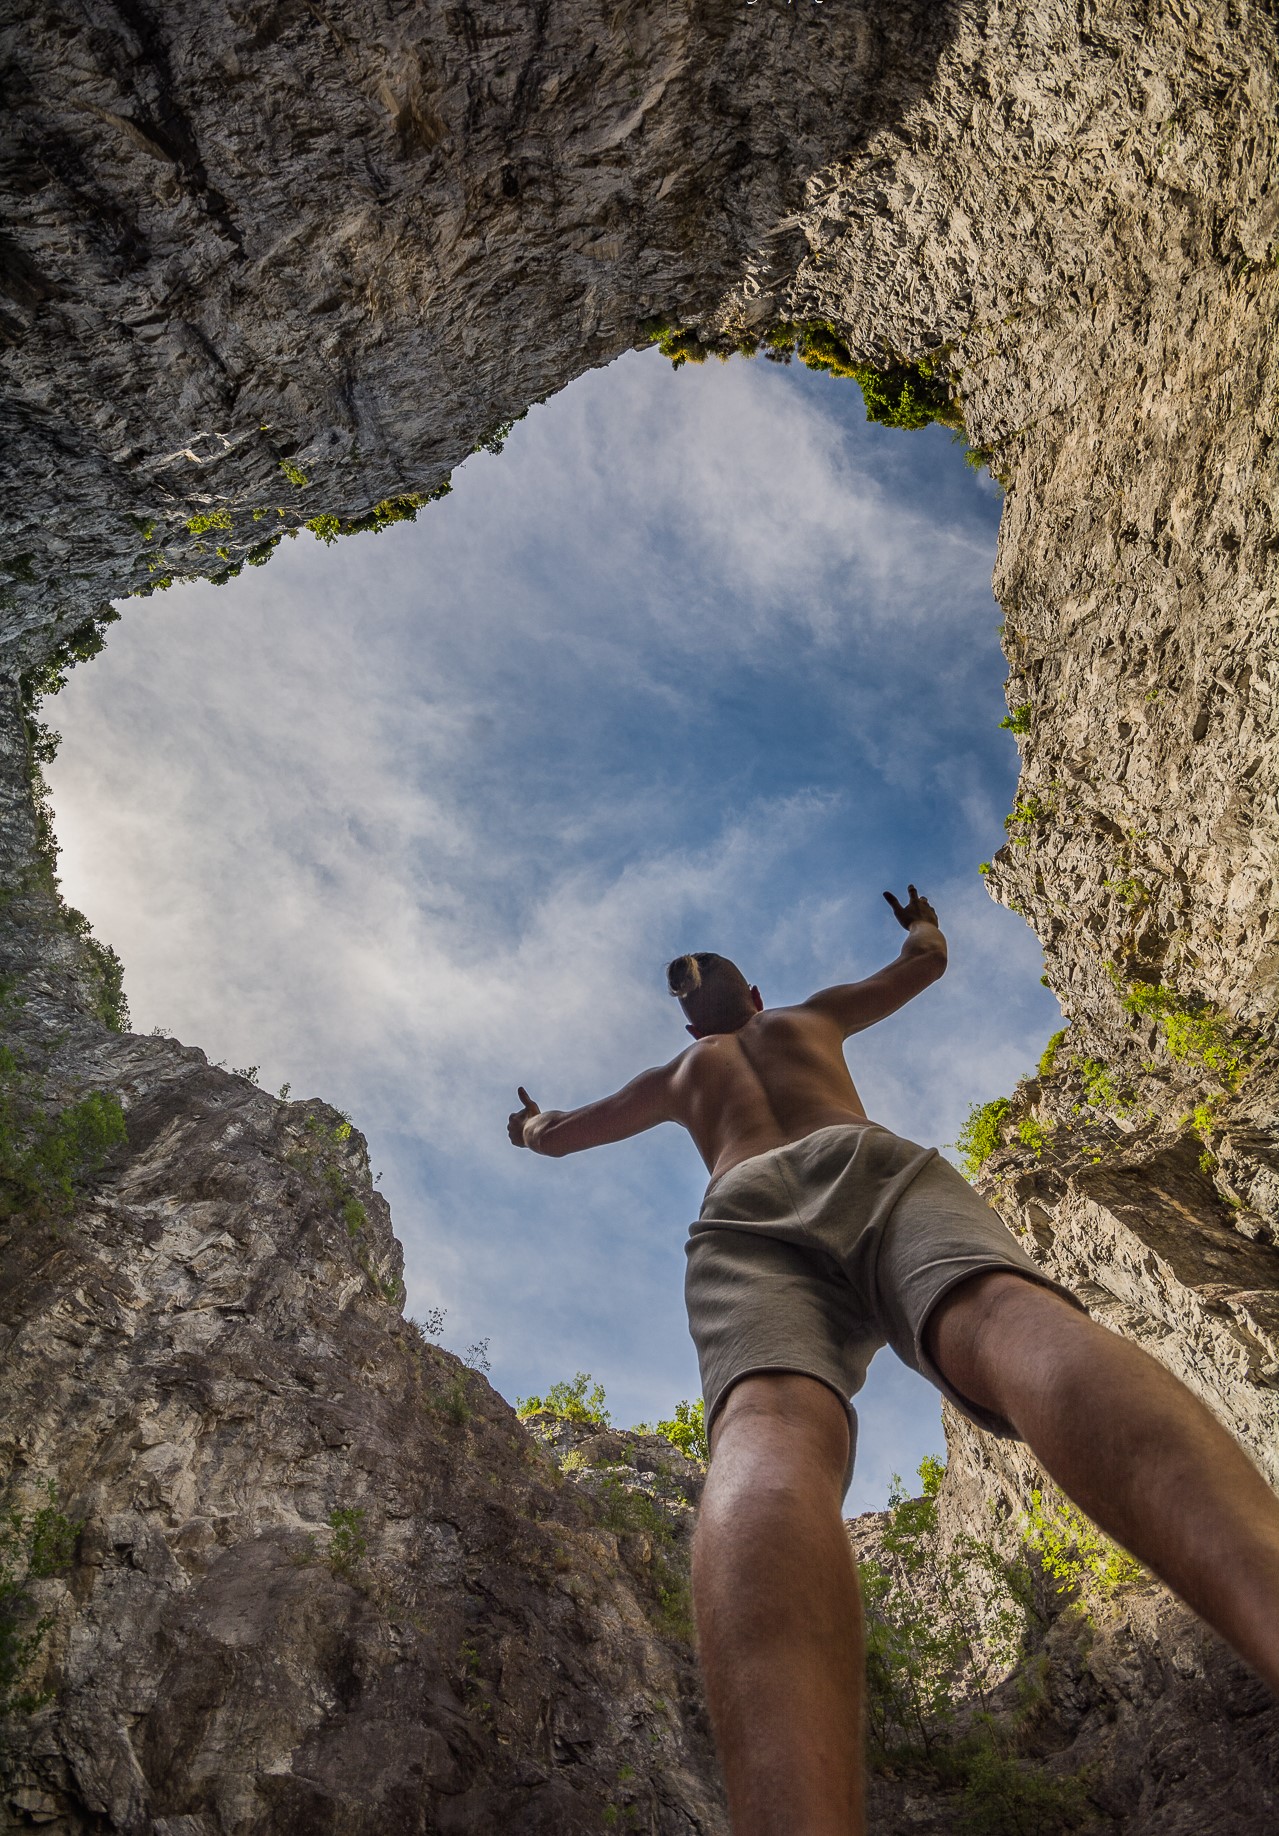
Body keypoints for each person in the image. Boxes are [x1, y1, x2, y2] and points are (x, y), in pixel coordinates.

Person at [508, 887, 1279, 1836]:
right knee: (1004, 1319)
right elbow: (922, 968)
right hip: (859, 1159)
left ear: (687, 1020)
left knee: (767, 1430)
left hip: (739, 1206)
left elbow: (564, 1136)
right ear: (753, 994)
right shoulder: (804, 1016)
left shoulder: (677, 1076)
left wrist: (533, 1124)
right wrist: (920, 919)